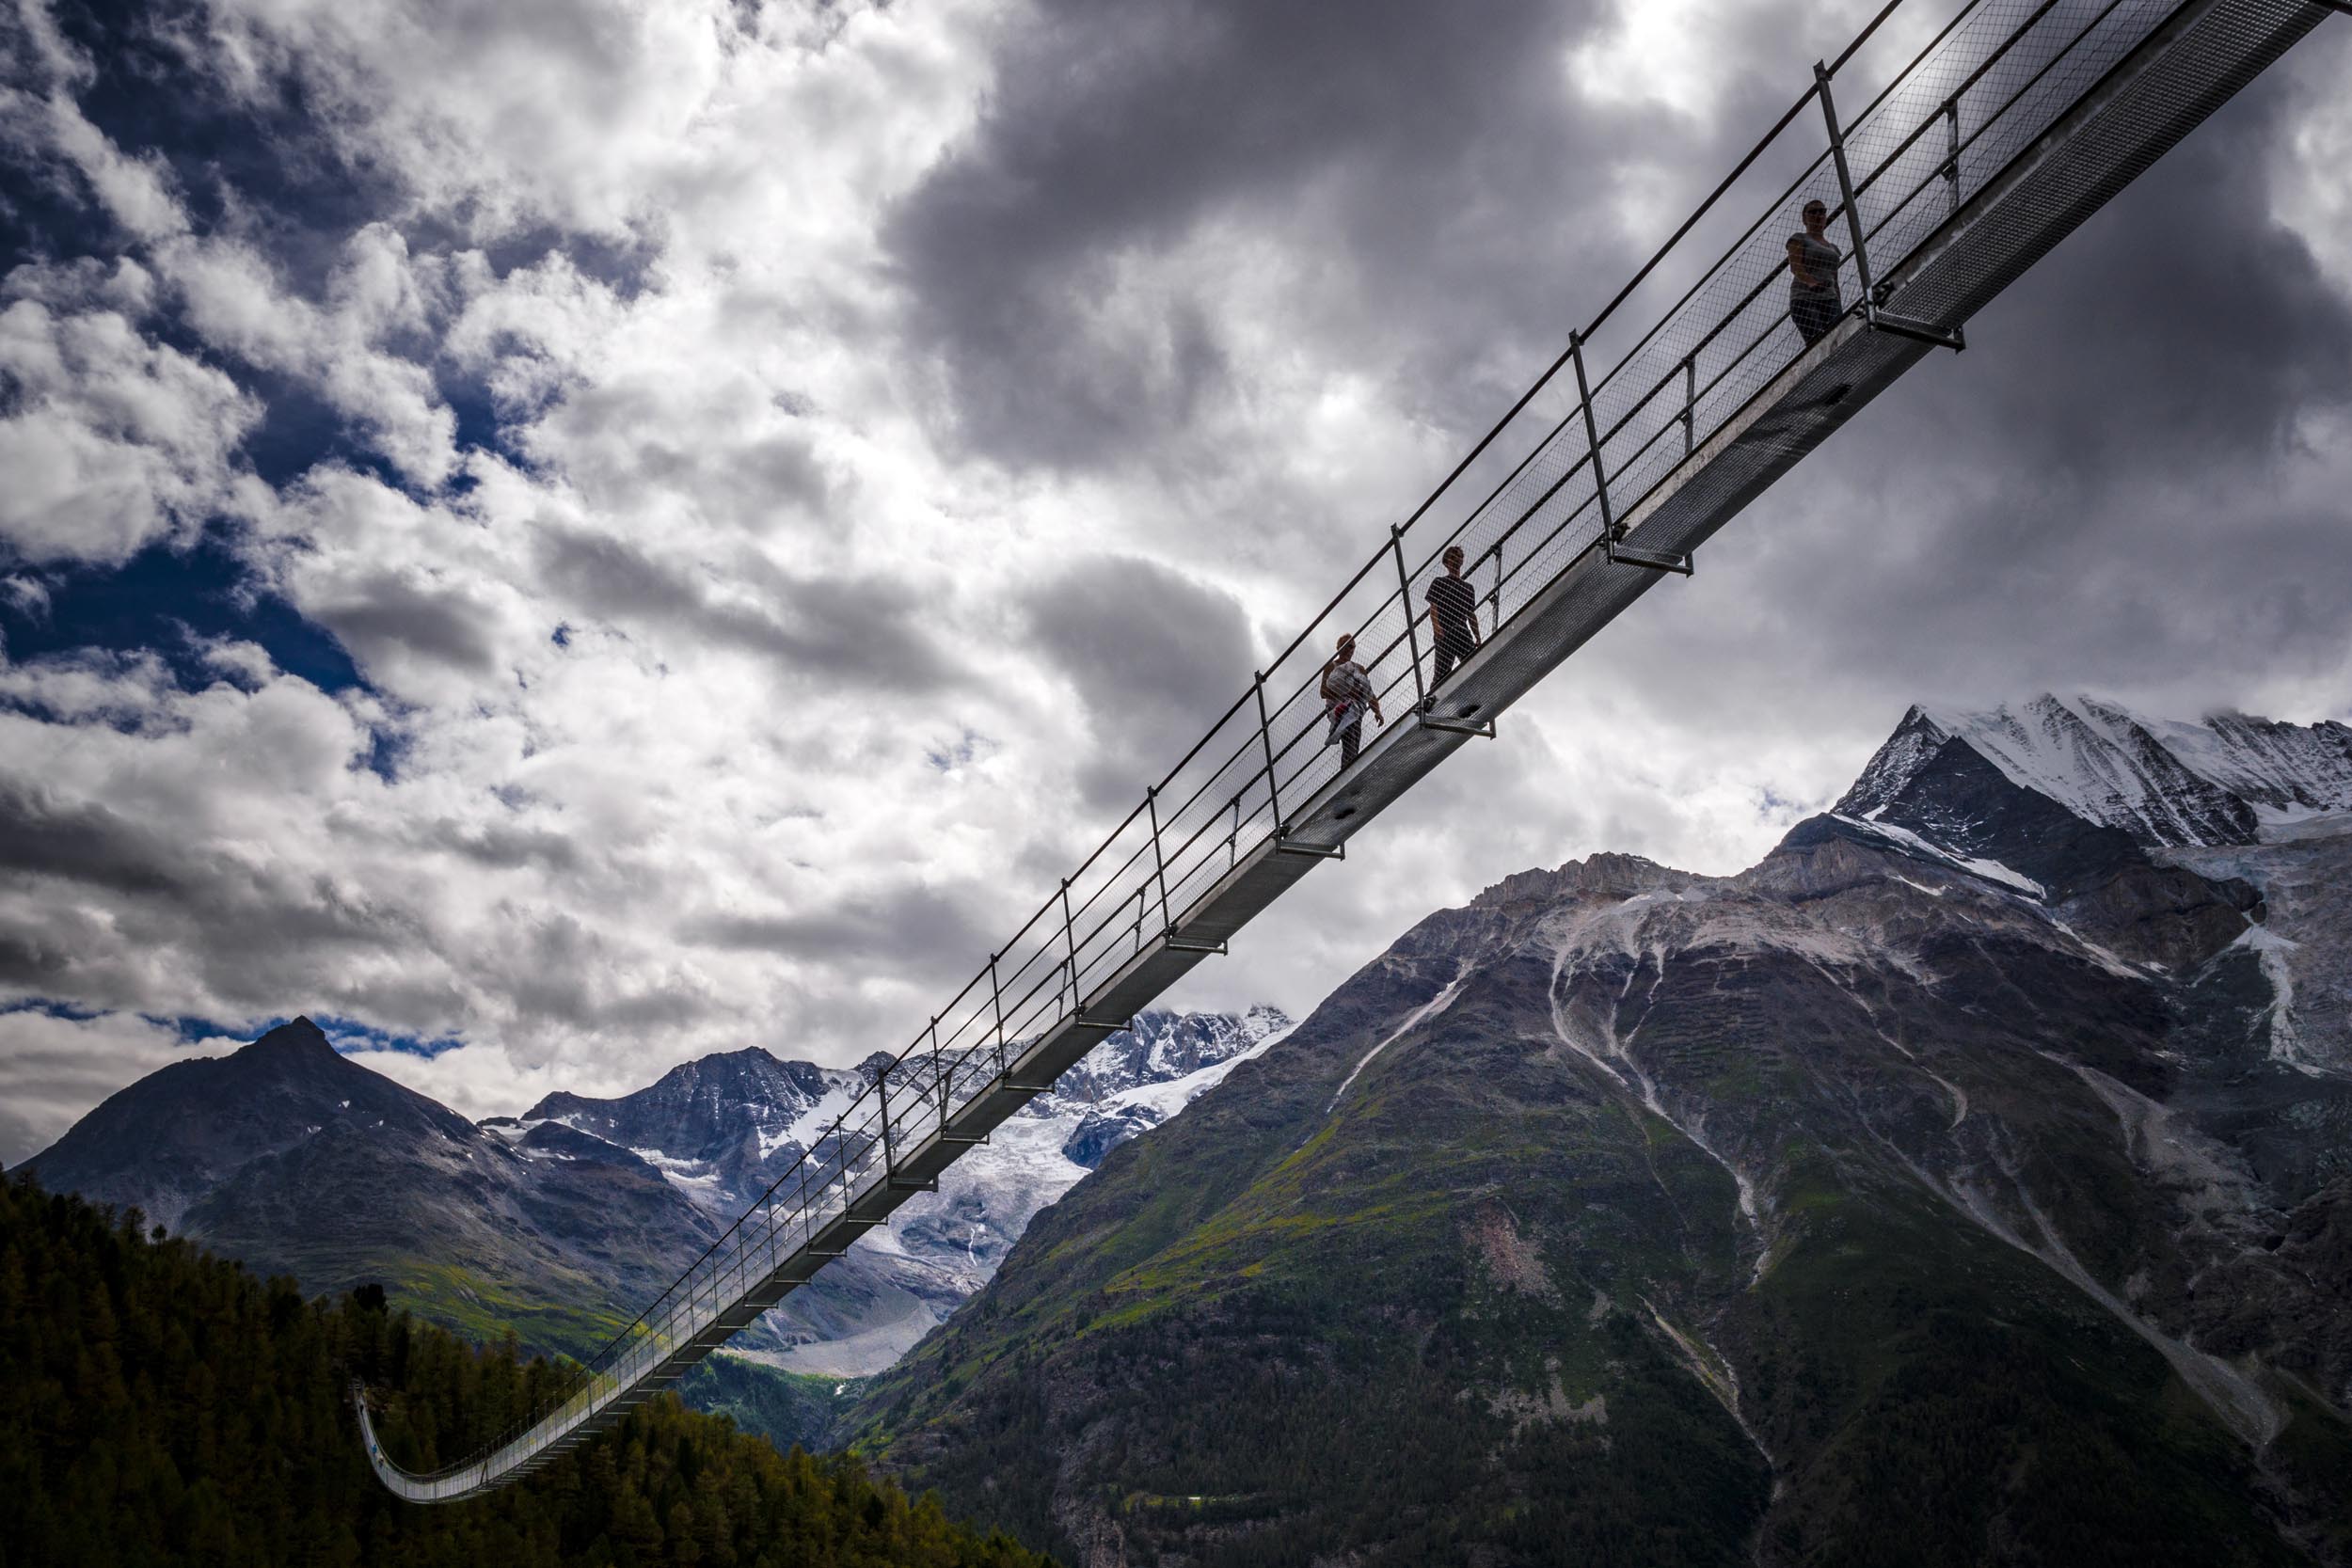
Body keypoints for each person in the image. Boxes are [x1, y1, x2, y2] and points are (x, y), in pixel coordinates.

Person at [1423, 545, 1481, 705]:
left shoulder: (1467, 588)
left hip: (1462, 631)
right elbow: (1433, 608)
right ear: (1446, 562)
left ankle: (1472, 700)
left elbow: (1471, 614)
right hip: (1445, 631)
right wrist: (1437, 627)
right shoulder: (1439, 582)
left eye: (1459, 556)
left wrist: (1477, 636)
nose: (1456, 559)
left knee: (1471, 664)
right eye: (1453, 557)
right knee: (1442, 672)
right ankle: (1430, 701)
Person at [1319, 632, 1382, 770]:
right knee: (1350, 738)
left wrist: (1377, 711)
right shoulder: (1331, 667)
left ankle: (1350, 768)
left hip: (1356, 708)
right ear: (1339, 647)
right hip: (1339, 709)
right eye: (1347, 646)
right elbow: (1323, 692)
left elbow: (1369, 692)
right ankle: (1348, 770)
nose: (1350, 650)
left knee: (1355, 738)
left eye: (1352, 647)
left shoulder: (1359, 669)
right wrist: (1346, 692)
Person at [1787, 198, 1843, 345]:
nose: (1818, 215)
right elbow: (1795, 267)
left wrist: (1838, 300)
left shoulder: (1834, 249)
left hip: (1829, 298)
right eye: (1813, 212)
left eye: (1822, 211)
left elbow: (1834, 279)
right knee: (1817, 341)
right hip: (1805, 298)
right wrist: (1811, 283)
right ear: (1804, 219)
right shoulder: (1799, 238)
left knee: (1838, 338)